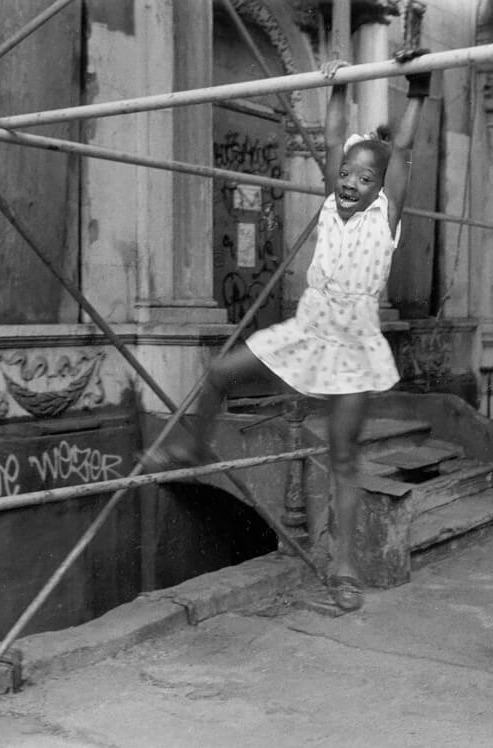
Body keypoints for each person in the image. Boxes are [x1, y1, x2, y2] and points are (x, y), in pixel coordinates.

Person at [145, 54, 431, 611]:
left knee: (344, 456)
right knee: (221, 373)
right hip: (310, 326)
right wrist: (336, 85)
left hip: (353, 342)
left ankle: (343, 566)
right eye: (346, 175)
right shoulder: (329, 204)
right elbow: (331, 143)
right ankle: (192, 443)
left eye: (364, 179)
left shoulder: (385, 218)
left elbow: (404, 153)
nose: (350, 183)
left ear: (381, 188)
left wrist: (417, 93)